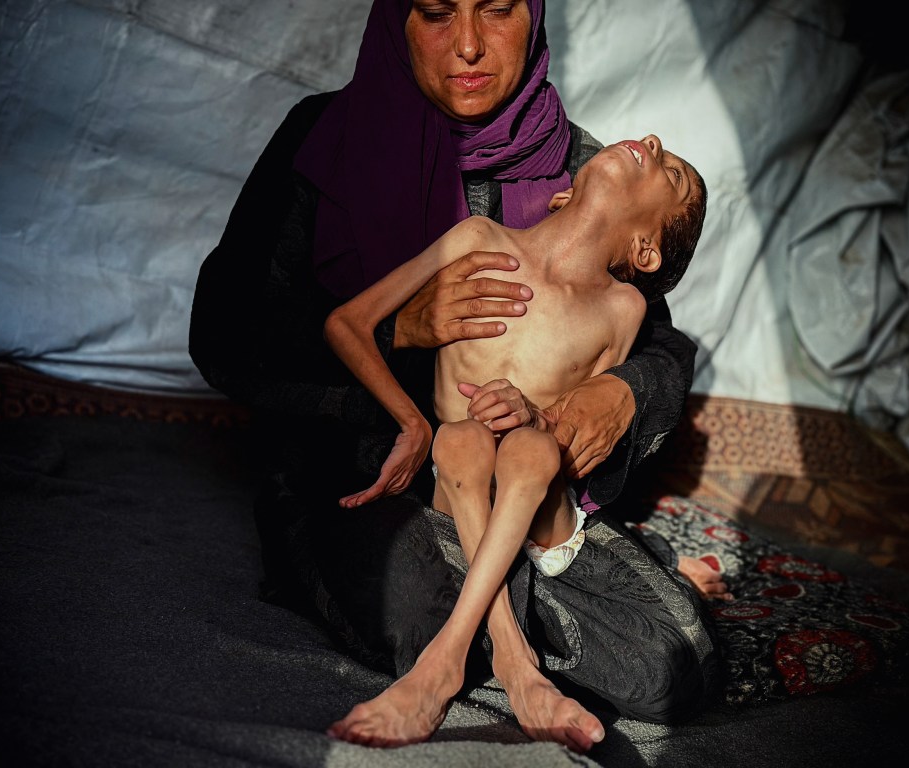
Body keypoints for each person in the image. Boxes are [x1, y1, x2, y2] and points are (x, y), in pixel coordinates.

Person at [189, 0, 725, 750]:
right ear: (397, 23)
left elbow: (663, 345)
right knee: (418, 606)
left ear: (532, 21)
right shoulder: (327, 139)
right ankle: (519, 627)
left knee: (677, 663)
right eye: (437, 13)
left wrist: (623, 391)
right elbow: (225, 327)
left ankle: (533, 583)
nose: (469, 45)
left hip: (520, 479)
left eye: (498, 10)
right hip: (360, 478)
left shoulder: (582, 165)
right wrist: (400, 330)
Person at [323, 133, 708, 749]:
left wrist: (533, 412)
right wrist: (412, 423)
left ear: (645, 248)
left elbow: (576, 426)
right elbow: (347, 323)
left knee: (527, 448)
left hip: (538, 498)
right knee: (462, 441)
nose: (655, 143)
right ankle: (510, 660)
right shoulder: (479, 238)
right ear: (560, 196)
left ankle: (451, 665)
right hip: (457, 480)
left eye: (674, 175)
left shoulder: (623, 308)